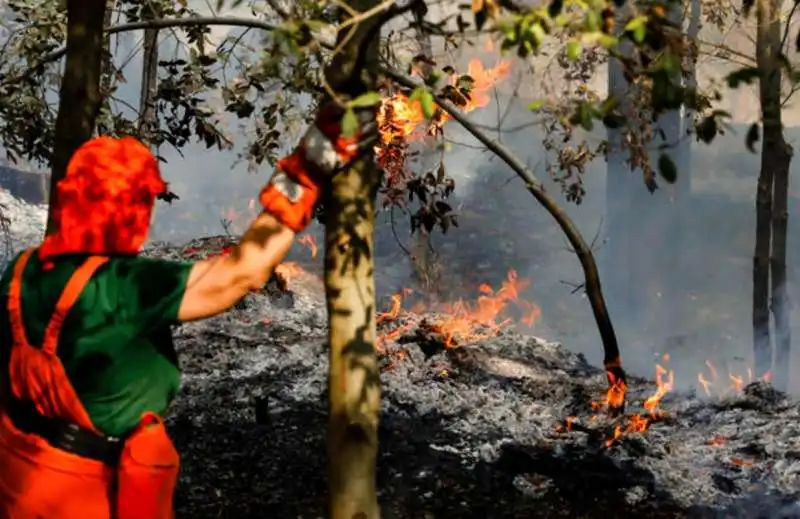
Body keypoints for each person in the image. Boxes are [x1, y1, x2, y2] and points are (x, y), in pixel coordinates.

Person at [0, 103, 376, 519]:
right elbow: (243, 272)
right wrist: (309, 168)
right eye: (144, 201)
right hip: (92, 496)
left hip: (21, 482)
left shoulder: (21, 271)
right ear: (127, 209)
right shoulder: (126, 287)